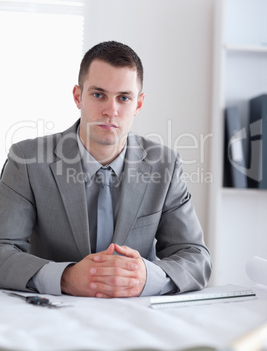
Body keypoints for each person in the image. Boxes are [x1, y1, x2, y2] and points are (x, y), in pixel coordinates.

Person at [0, 41, 211, 298]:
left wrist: (147, 277)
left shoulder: (165, 165)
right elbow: (3, 251)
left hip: (136, 320)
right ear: (78, 96)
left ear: (139, 104)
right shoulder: (26, 160)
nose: (111, 111)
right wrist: (64, 277)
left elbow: (195, 257)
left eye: (124, 98)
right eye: (98, 95)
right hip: (50, 318)